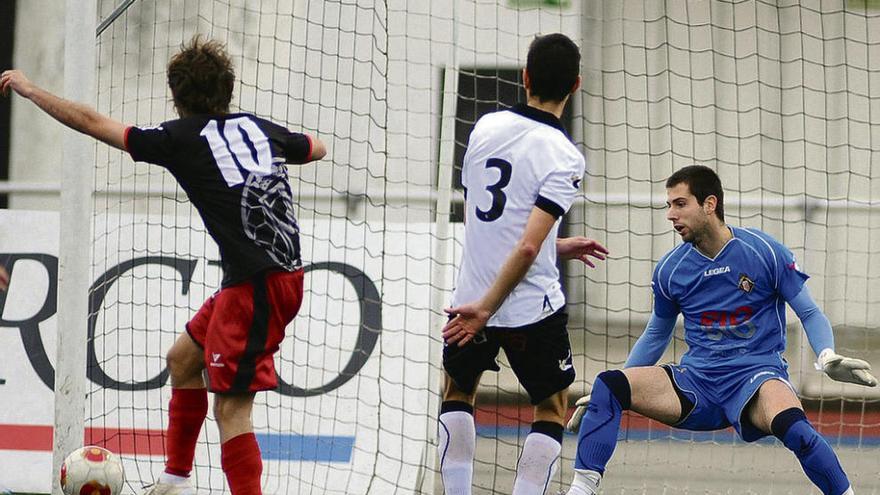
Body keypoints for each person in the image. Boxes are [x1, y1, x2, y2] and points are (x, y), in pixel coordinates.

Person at [2, 36, 326, 495]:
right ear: (228, 90)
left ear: (176, 97)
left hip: (256, 287)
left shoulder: (181, 139)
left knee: (232, 410)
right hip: (268, 278)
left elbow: (92, 122)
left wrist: (32, 90)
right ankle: (174, 480)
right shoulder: (258, 128)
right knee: (183, 360)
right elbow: (316, 148)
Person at [564, 165, 877, 495]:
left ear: (709, 204)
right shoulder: (671, 270)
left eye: (680, 203)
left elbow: (810, 312)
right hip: (697, 383)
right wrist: (608, 399)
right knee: (609, 384)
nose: (671, 214)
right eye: (669, 205)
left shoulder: (763, 251)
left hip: (755, 379)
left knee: (797, 432)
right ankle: (580, 491)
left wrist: (827, 357)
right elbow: (657, 333)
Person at [440, 33, 608, 495]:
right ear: (575, 85)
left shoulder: (485, 128)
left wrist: (557, 243)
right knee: (551, 407)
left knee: (457, 393)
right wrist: (490, 310)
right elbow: (527, 246)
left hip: (470, 296)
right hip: (528, 307)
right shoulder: (565, 155)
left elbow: (496, 228)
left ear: (527, 76)